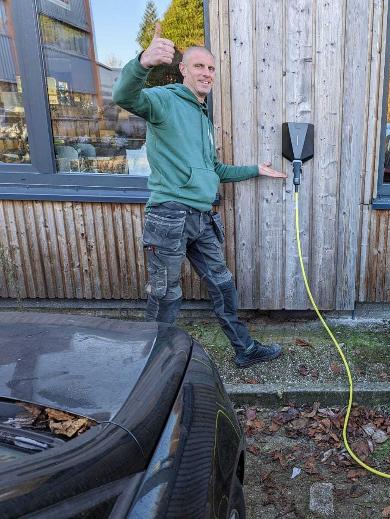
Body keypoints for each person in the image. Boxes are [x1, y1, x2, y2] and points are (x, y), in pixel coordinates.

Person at [113, 24, 285, 367]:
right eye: (198, 66)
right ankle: (151, 368)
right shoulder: (165, 101)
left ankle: (245, 349)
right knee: (165, 295)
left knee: (222, 285)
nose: (206, 73)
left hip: (202, 217)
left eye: (210, 68)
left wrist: (255, 169)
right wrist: (143, 62)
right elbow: (125, 97)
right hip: (170, 215)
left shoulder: (202, 117)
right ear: (183, 70)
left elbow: (215, 170)